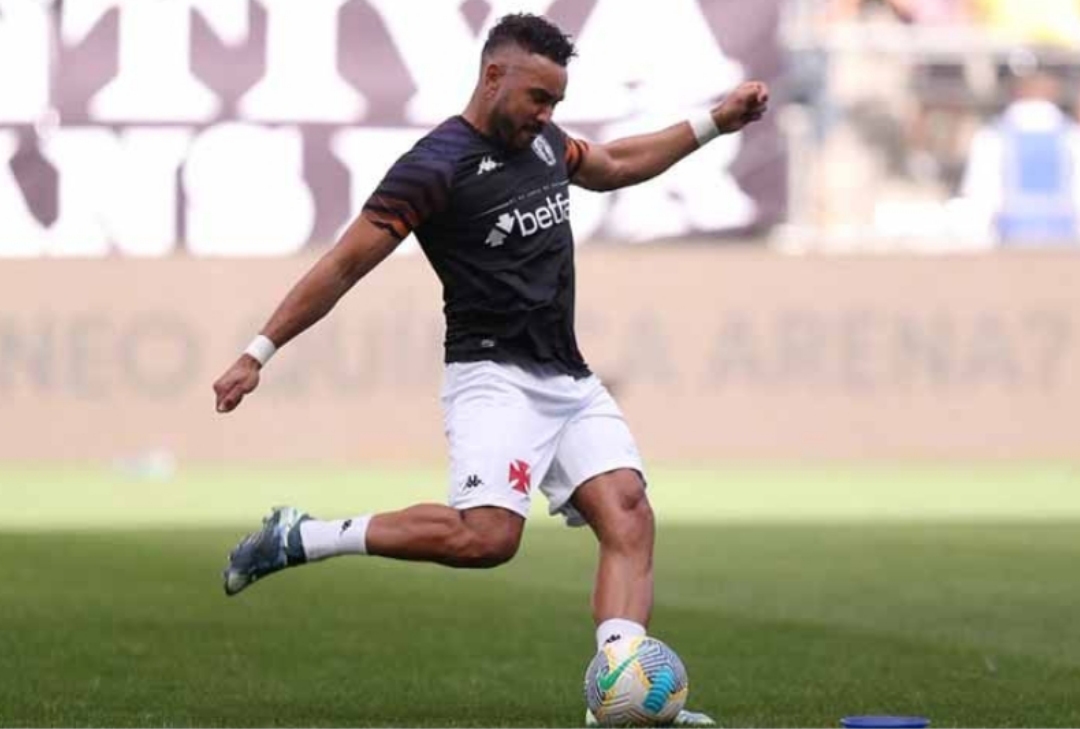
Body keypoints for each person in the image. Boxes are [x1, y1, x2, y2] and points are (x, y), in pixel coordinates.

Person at [213, 13, 768, 727]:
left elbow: (615, 164)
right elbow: (344, 265)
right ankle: (302, 536)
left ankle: (618, 698)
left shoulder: (542, 142)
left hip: (567, 375)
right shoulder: (433, 167)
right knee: (488, 539)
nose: (547, 114)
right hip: (492, 377)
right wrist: (258, 352)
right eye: (538, 97)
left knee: (628, 511)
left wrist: (716, 121)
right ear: (493, 76)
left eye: (556, 102)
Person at [959, 70, 1080, 245]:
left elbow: (980, 195)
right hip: (1063, 242)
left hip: (1010, 241)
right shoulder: (1072, 136)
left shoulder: (992, 136)